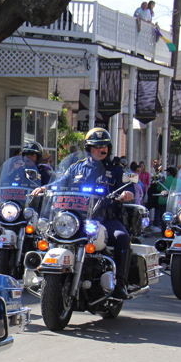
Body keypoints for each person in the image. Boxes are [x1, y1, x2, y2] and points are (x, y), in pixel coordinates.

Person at [33, 127, 135, 299]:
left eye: (104, 146)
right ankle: (44, 277)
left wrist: (128, 193)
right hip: (76, 219)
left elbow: (128, 185)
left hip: (105, 219)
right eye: (97, 146)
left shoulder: (116, 169)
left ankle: (121, 283)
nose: (101, 149)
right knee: (47, 234)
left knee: (122, 237)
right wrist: (45, 188)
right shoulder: (76, 168)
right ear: (89, 148)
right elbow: (60, 182)